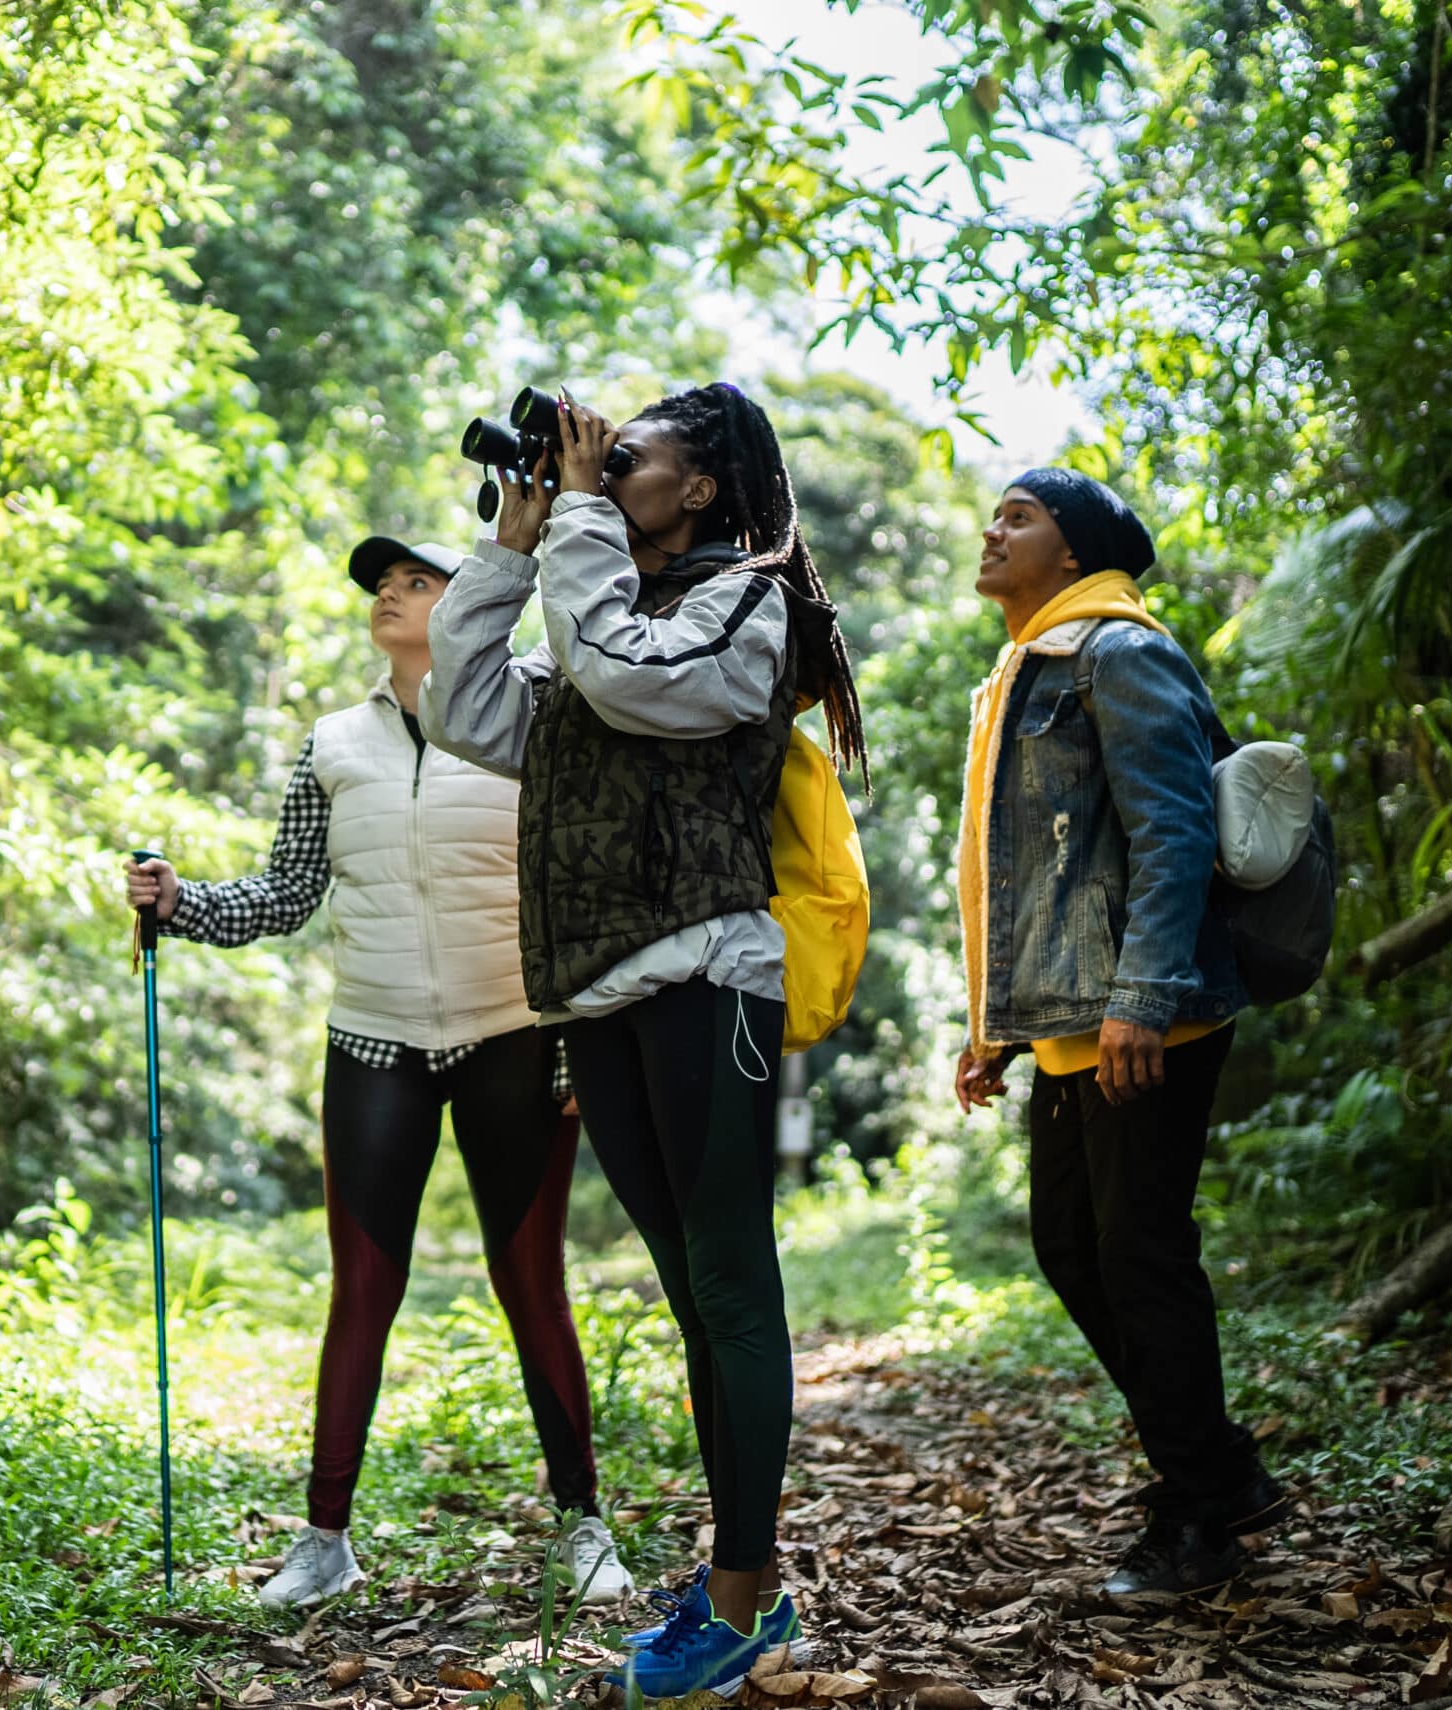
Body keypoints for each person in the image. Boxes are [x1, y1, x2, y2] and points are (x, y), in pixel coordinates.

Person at [422, 383, 867, 1698]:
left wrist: (572, 535)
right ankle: (753, 1597)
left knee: (729, 1281)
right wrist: (514, 540)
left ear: (706, 489)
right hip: (603, 992)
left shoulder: (752, 601)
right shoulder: (601, 599)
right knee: (690, 1292)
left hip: (708, 973)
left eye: (627, 461)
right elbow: (468, 706)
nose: (599, 480)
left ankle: (735, 1600)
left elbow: (628, 676)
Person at [124, 536, 634, 1611]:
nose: (390, 598)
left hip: (516, 1037)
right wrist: (181, 903)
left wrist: (589, 1033)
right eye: (381, 588)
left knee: (529, 1281)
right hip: (372, 1041)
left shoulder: (535, 716)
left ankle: (584, 1527)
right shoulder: (332, 743)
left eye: (417, 582)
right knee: (363, 1287)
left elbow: (587, 882)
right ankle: (323, 1542)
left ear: (473, 605)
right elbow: (287, 893)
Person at [950, 469, 1287, 1596]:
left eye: (1020, 517)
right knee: (1072, 1250)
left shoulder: (1118, 653)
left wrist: (1143, 994)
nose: (994, 531)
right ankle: (1216, 1474)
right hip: (1067, 1024)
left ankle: (1201, 1512)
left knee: (1138, 1257)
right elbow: (1027, 874)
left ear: (1077, 551)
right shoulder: (1026, 667)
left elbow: (1174, 830)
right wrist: (994, 1025)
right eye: (994, 514)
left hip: (1146, 1020)